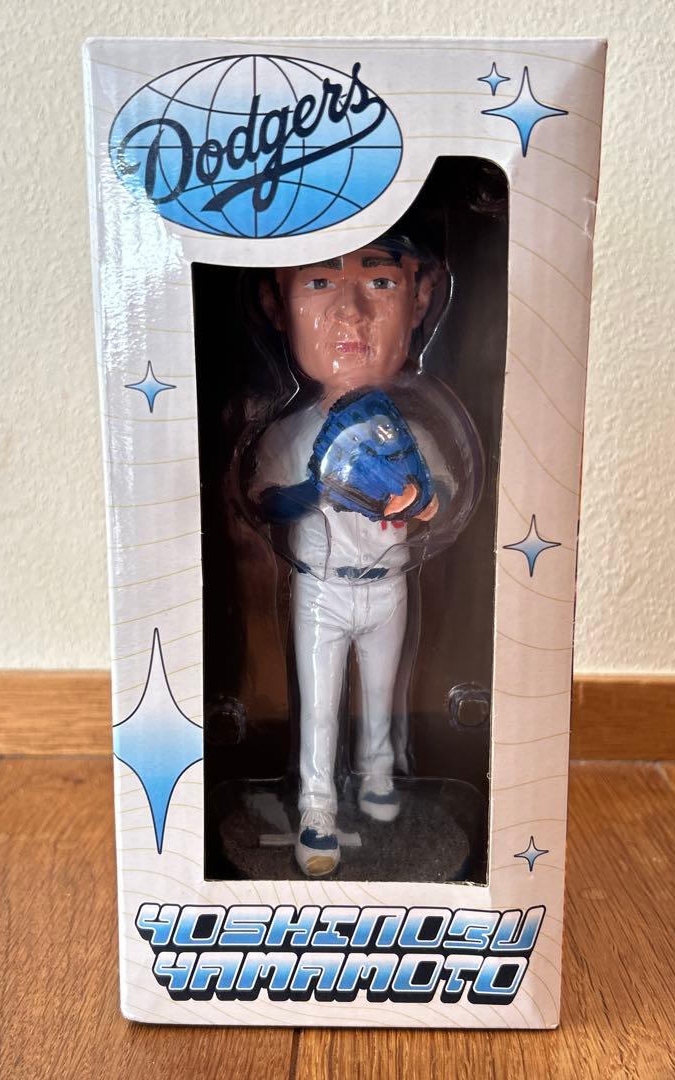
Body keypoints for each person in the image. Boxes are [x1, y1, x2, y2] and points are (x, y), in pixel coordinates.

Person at [251, 234, 449, 877]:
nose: (351, 312)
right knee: (319, 706)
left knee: (383, 692)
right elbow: (264, 501)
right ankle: (317, 809)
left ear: (421, 298)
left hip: (388, 583)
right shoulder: (292, 432)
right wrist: (319, 486)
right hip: (322, 589)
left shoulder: (409, 431)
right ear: (276, 302)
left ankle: (379, 775)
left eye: (380, 281)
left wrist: (415, 498)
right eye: (319, 281)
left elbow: (443, 498)